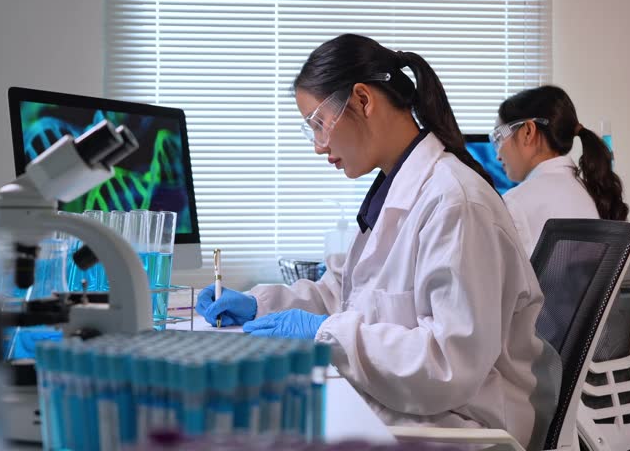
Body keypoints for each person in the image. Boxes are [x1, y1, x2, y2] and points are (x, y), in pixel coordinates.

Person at [196, 34, 559, 448]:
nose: (318, 147)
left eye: (319, 123)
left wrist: (324, 334)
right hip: (414, 408)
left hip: (463, 427)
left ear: (363, 100)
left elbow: (448, 364)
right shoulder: (395, 192)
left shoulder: (456, 203)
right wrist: (261, 304)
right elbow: (346, 295)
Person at [493, 85, 629, 255]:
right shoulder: (593, 191)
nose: (497, 155)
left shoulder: (515, 204)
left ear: (527, 132)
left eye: (498, 138)